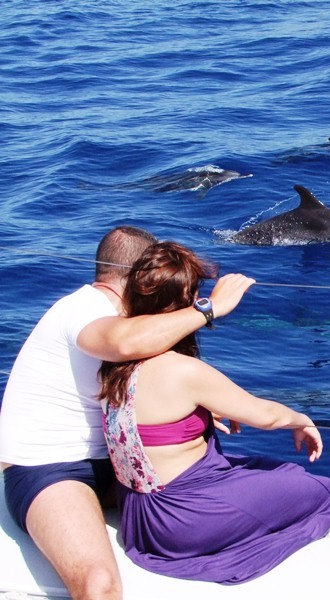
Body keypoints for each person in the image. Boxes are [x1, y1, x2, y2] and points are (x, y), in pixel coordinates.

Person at [98, 241, 330, 585]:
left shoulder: (112, 365)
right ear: (183, 305)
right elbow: (266, 416)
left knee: (263, 468)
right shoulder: (181, 371)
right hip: (179, 522)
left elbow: (153, 423)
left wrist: (201, 416)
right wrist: (302, 420)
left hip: (140, 518)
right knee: (319, 489)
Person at [0, 226, 255, 600]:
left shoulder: (124, 316)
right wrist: (208, 308)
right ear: (140, 276)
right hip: (49, 469)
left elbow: (131, 387)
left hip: (115, 460)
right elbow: (123, 343)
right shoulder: (84, 308)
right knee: (98, 586)